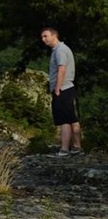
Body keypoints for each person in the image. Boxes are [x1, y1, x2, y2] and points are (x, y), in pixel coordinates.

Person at [41, 27, 82, 156]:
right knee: (72, 119)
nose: (43, 39)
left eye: (45, 36)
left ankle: (64, 149)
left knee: (64, 120)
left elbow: (62, 69)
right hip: (68, 87)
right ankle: (76, 147)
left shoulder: (60, 50)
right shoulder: (59, 50)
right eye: (42, 37)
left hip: (63, 88)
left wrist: (57, 88)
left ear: (54, 36)